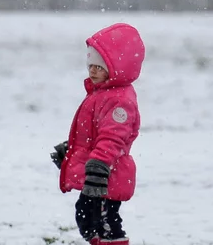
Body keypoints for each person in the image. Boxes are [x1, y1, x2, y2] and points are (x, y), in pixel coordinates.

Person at [51, 23, 144, 245]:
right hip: (99, 174)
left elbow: (113, 139)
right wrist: (73, 153)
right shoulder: (101, 94)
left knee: (105, 223)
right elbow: (92, 134)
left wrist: (98, 166)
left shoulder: (119, 101)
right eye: (90, 65)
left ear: (116, 68)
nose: (92, 71)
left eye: (99, 67)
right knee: (87, 219)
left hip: (108, 175)